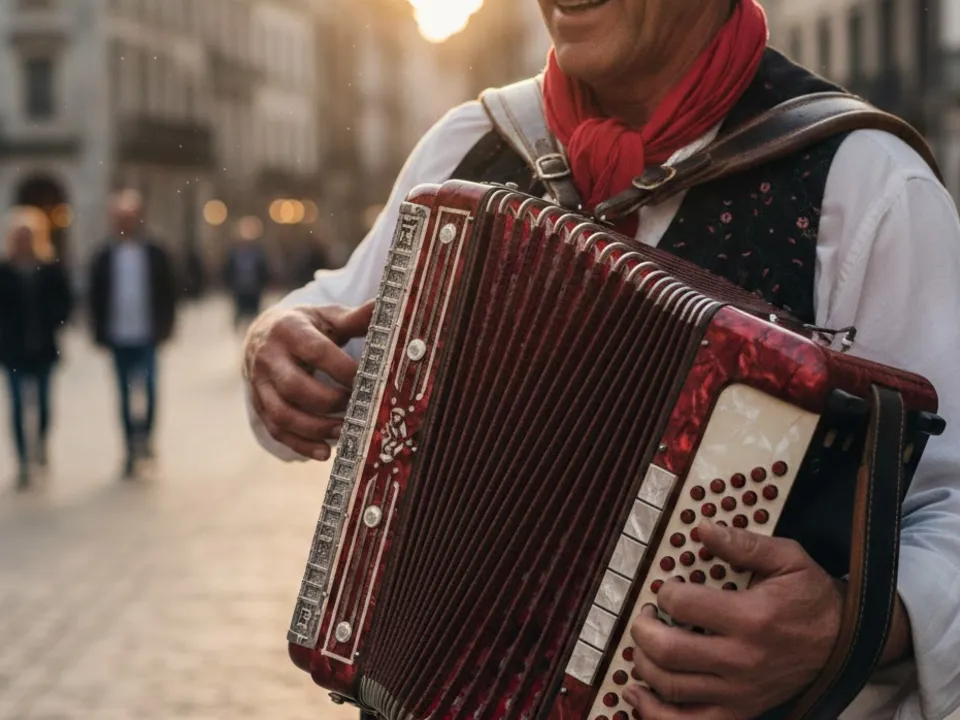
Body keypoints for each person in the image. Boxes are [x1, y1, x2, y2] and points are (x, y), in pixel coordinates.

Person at [241, 2, 960, 718]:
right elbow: (334, 322)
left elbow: (949, 508)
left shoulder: (866, 186)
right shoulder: (470, 148)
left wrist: (851, 626)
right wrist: (273, 346)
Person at [88, 190, 178, 478]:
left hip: (147, 334)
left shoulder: (153, 252)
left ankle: (146, 438)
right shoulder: (104, 255)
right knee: (124, 395)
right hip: (118, 335)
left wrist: (167, 325)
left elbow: (168, 290)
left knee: (149, 389)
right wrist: (98, 331)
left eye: (130, 217)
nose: (125, 222)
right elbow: (95, 296)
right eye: (120, 217)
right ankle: (129, 448)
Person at [0, 207, 73, 489]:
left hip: (43, 347)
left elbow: (65, 301)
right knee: (18, 405)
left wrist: (55, 319)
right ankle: (22, 460)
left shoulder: (50, 269)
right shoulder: (4, 272)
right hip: (14, 349)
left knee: (42, 404)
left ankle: (40, 442)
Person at [222, 231, 271, 332]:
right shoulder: (234, 255)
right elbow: (228, 270)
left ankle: (255, 328)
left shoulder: (257, 254)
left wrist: (262, 283)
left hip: (254, 288)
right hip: (240, 288)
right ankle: (242, 327)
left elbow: (263, 270)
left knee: (253, 311)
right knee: (241, 311)